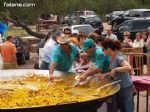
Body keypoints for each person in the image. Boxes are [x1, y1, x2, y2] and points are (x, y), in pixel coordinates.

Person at [101, 38, 133, 112]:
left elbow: (128, 67)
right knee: (121, 107)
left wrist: (115, 69)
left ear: (108, 49)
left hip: (124, 86)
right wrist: (107, 74)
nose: (103, 51)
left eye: (103, 49)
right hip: (119, 86)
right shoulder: (112, 56)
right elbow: (115, 72)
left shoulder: (118, 57)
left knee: (126, 108)